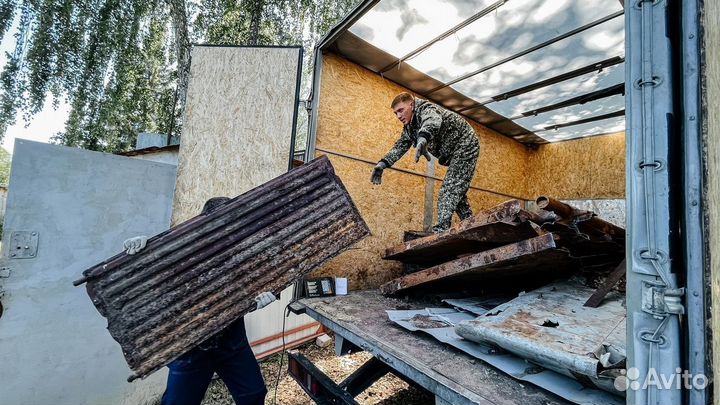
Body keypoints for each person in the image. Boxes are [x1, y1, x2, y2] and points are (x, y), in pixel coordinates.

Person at [123, 197, 275, 405]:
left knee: (254, 394)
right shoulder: (183, 251)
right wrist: (142, 250)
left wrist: (263, 298)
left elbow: (263, 282)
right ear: (204, 222)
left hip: (232, 343)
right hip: (191, 349)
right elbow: (148, 277)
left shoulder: (241, 253)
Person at [371, 92, 480, 233]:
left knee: (449, 189)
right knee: (457, 195)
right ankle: (473, 226)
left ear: (411, 104)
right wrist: (383, 164)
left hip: (466, 144)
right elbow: (400, 146)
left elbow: (432, 120)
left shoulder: (426, 108)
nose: (398, 116)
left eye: (400, 110)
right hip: (453, 153)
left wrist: (423, 137)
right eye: (395, 113)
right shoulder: (409, 128)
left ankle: (441, 231)